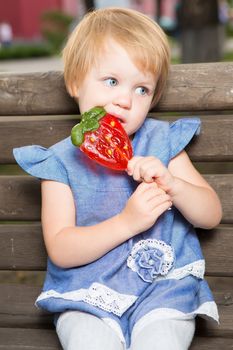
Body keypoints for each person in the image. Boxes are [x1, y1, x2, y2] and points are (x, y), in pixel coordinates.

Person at [13, 7, 222, 350]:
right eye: (111, 81)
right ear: (75, 82)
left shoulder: (162, 144)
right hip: (87, 296)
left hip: (162, 292)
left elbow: (211, 214)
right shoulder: (60, 162)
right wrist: (128, 222)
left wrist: (174, 184)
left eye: (142, 89)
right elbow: (62, 249)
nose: (124, 100)